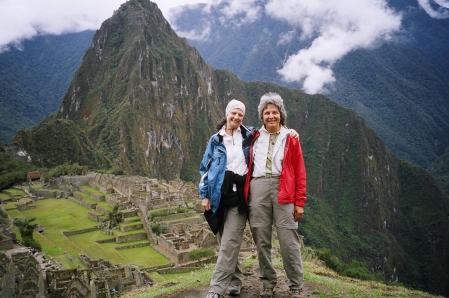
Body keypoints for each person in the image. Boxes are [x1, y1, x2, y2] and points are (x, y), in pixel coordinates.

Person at [244, 92, 307, 298]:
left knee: (288, 238)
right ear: (261, 116)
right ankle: (268, 284)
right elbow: (228, 133)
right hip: (258, 186)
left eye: (275, 112)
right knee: (261, 238)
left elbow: (300, 171)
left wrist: (299, 202)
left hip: (284, 187)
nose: (271, 116)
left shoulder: (291, 138)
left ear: (281, 114)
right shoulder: (253, 137)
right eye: (267, 112)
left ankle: (296, 285)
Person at [199, 99, 253, 298]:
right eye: (234, 113)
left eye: (240, 115)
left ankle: (216, 289)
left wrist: (289, 131)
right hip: (218, 197)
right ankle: (235, 281)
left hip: (239, 199)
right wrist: (204, 195)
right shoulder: (216, 140)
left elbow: (272, 129)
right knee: (225, 244)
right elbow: (204, 169)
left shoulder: (249, 136)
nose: (237, 117)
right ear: (227, 114)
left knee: (229, 242)